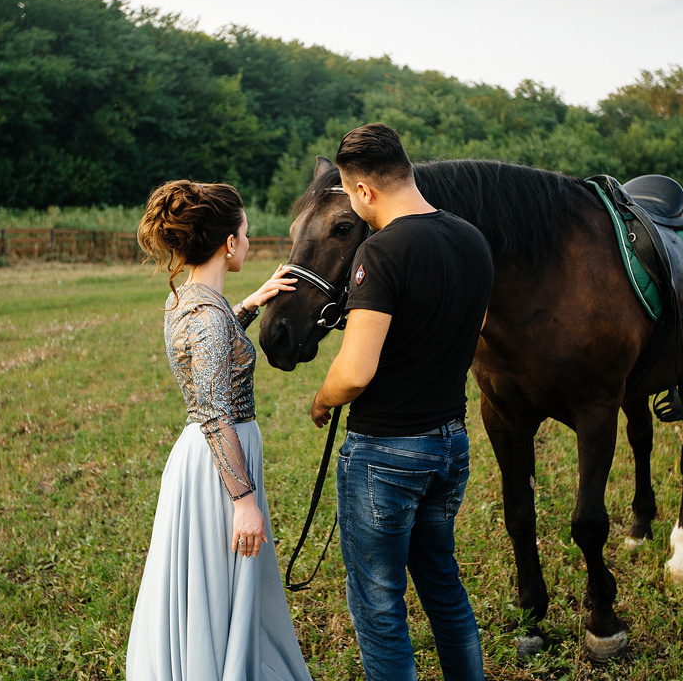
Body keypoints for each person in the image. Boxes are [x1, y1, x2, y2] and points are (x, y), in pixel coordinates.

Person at [309, 124, 494, 681]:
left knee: (379, 603)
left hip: (386, 455)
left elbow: (355, 370)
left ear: (363, 191)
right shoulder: (472, 239)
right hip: (450, 445)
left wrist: (322, 400)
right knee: (442, 583)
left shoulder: (381, 251)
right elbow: (475, 327)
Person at [127, 180, 311, 681]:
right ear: (229, 243)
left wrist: (252, 303)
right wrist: (243, 502)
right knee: (220, 583)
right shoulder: (207, 316)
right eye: (246, 233)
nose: (248, 242)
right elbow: (213, 410)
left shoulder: (187, 299)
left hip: (200, 459)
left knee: (214, 586)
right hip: (220, 468)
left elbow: (214, 347)